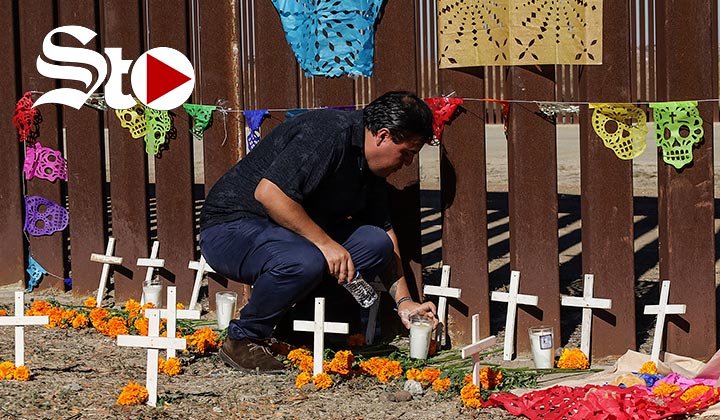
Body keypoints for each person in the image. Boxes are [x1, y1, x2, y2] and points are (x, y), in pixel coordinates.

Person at [199, 91, 438, 372]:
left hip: (290, 237)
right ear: (383, 136)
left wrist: (405, 302)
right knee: (304, 259)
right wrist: (325, 243)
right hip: (231, 228)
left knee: (374, 244)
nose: (408, 163)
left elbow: (385, 234)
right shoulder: (328, 132)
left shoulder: (370, 169)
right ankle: (244, 338)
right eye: (407, 153)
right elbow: (269, 194)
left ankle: (294, 327)